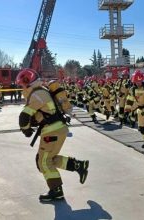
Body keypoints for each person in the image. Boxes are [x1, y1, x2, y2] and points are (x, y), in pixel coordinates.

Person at [16, 68, 89, 202]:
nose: (21, 87)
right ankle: (78, 165)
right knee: (49, 159)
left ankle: (56, 191)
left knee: (43, 162)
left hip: (52, 131)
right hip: (57, 129)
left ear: (27, 81)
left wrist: (25, 129)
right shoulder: (40, 91)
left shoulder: (36, 94)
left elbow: (24, 116)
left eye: (22, 84)